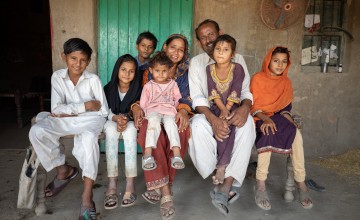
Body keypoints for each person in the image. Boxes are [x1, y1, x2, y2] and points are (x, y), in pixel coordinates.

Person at [28, 38, 108, 220]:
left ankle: (87, 197)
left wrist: (74, 110)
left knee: (88, 140)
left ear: (88, 61)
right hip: (72, 117)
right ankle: (63, 170)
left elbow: (101, 109)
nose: (78, 64)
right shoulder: (57, 77)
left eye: (83, 60)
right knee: (37, 131)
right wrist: (85, 105)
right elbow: (56, 109)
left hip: (91, 120)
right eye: (73, 58)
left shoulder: (93, 79)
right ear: (64, 57)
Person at [188, 19, 256, 216]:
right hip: (209, 111)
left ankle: (226, 184)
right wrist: (214, 119)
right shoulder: (197, 63)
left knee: (247, 123)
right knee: (199, 125)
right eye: (203, 37)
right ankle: (216, 171)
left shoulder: (238, 60)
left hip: (234, 108)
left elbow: (245, 91)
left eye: (211, 34)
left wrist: (244, 108)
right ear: (199, 42)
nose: (208, 40)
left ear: (220, 33)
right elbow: (198, 96)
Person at [132, 34, 192, 220]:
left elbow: (185, 98)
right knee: (150, 131)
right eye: (173, 47)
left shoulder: (184, 73)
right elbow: (138, 96)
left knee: (180, 131)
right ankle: (165, 190)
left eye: (181, 49)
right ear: (165, 47)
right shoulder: (146, 71)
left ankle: (162, 186)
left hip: (172, 113)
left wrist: (183, 110)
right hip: (152, 112)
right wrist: (136, 108)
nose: (176, 52)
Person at [250, 46, 313, 210]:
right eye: (276, 60)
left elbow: (285, 108)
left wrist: (290, 123)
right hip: (259, 117)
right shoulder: (257, 79)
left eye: (284, 61)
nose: (280, 65)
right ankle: (261, 184)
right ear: (268, 61)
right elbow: (253, 106)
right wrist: (265, 119)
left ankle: (301, 183)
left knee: (296, 135)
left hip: (278, 117)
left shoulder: (286, 82)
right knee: (267, 133)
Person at [103, 54, 142, 209]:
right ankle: (112, 184)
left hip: (130, 122)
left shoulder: (139, 89)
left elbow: (141, 108)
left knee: (131, 131)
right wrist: (116, 119)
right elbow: (105, 111)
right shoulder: (108, 88)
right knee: (111, 132)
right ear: (117, 70)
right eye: (123, 70)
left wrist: (125, 119)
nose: (127, 74)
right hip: (112, 120)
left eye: (131, 71)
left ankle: (130, 184)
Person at [206, 34, 246, 185]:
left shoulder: (238, 68)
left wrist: (228, 109)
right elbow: (213, 92)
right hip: (216, 106)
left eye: (225, 49)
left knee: (229, 127)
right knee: (220, 126)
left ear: (233, 54)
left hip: (234, 106)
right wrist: (222, 110)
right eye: (218, 49)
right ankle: (221, 164)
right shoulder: (209, 69)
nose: (220, 52)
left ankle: (221, 166)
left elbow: (236, 90)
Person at [140, 51, 184, 171]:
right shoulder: (148, 86)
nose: (160, 74)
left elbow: (178, 98)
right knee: (153, 122)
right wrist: (143, 113)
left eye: (164, 71)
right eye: (157, 71)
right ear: (151, 70)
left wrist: (175, 108)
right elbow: (143, 102)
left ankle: (176, 155)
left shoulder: (173, 84)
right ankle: (148, 155)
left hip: (169, 111)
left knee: (171, 124)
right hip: (153, 111)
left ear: (169, 70)